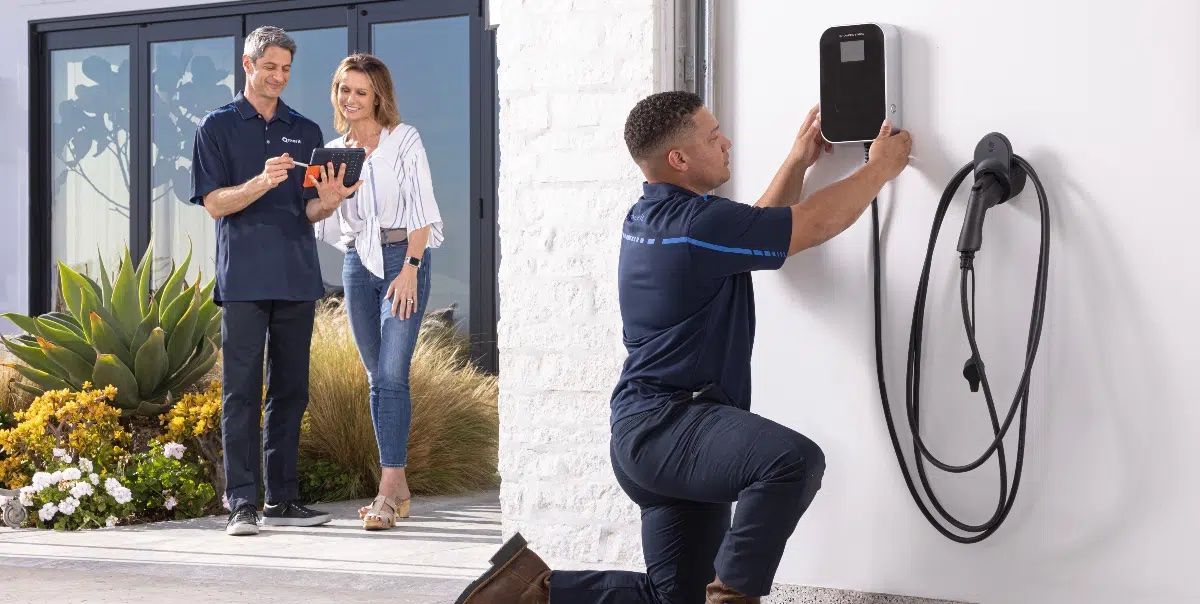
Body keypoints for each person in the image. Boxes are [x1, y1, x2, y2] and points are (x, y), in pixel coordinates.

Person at [456, 92, 912, 603]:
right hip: (675, 427)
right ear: (679, 159)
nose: (726, 142)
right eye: (712, 135)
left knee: (673, 598)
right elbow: (810, 226)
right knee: (791, 462)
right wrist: (880, 169)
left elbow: (755, 228)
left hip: (645, 435)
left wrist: (797, 162)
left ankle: (527, 593)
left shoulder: (655, 219)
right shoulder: (700, 225)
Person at [190, 26, 361, 537]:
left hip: (296, 277)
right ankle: (241, 502)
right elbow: (216, 205)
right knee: (240, 393)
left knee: (290, 392)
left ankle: (282, 499)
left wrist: (329, 201)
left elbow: (307, 210)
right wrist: (261, 181)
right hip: (242, 279)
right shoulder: (216, 127)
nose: (279, 77)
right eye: (271, 67)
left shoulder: (305, 130)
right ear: (248, 65)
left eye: (286, 69)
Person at [314, 53, 444, 530]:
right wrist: (330, 198)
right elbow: (324, 220)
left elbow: (422, 210)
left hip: (400, 258)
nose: (351, 99)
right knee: (377, 378)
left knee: (391, 373)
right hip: (356, 262)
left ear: (378, 97)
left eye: (361, 92)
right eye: (344, 89)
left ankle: (388, 489)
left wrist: (410, 267)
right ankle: (401, 487)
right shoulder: (332, 151)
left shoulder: (403, 140)